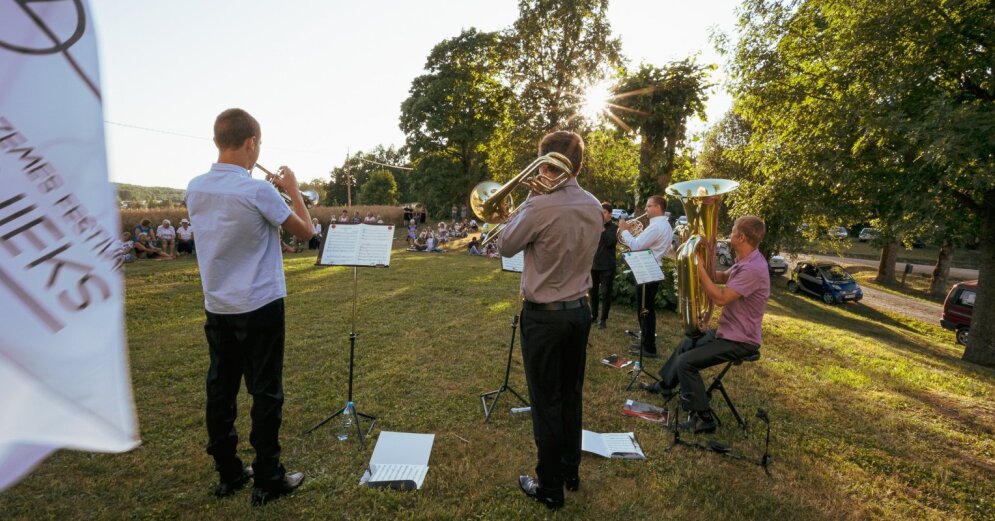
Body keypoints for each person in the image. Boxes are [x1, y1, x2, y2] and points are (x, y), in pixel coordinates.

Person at [186, 108, 311, 506]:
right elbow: (306, 233)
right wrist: (292, 188)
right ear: (251, 142)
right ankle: (269, 476)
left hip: (219, 304)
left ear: (218, 140)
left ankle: (229, 472)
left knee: (220, 389)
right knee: (265, 391)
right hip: (259, 303)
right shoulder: (258, 191)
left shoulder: (195, 187)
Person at [498, 131, 601, 510]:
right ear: (580, 165)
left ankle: (550, 487)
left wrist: (526, 200)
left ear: (543, 164)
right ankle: (571, 471)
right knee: (571, 395)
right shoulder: (592, 204)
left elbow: (505, 245)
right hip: (579, 312)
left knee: (546, 401)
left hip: (543, 317)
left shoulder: (538, 206)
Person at [644, 216, 770, 434]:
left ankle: (703, 418)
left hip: (741, 340)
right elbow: (720, 277)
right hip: (729, 332)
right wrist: (698, 263)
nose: (729, 235)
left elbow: (721, 298)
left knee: (686, 363)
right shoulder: (747, 260)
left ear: (741, 237)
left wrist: (698, 266)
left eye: (732, 232)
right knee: (688, 341)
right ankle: (665, 386)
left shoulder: (753, 269)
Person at [617, 195, 673, 358]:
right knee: (645, 309)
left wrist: (625, 230)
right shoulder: (664, 225)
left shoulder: (656, 226)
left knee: (644, 310)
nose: (646, 210)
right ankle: (645, 343)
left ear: (657, 207)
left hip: (647, 270)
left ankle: (649, 347)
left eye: (648, 206)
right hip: (651, 269)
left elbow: (636, 246)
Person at [589, 202, 618, 330]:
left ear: (610, 214)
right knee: (592, 292)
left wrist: (603, 230)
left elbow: (611, 243)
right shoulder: (594, 226)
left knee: (606, 293)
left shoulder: (614, 228)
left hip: (607, 266)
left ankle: (603, 319)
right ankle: (593, 316)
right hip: (593, 264)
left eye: (604, 212)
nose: (601, 214)